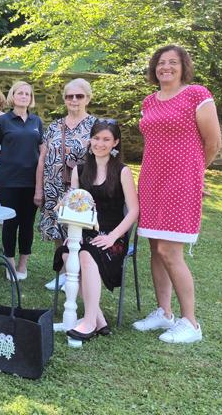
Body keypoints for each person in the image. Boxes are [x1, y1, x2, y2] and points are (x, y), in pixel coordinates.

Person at [133, 45, 221, 344]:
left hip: (181, 182)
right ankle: (164, 312)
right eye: (160, 62)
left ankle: (191, 323)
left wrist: (194, 174)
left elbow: (213, 143)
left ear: (184, 66)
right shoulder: (149, 101)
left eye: (173, 62)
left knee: (170, 251)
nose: (166, 67)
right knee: (155, 248)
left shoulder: (196, 94)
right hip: (150, 181)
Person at [53, 119, 139, 341]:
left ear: (115, 142)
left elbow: (134, 211)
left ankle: (89, 321)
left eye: (106, 139)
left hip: (113, 235)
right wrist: (67, 217)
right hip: (84, 231)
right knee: (66, 254)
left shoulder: (122, 171)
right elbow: (74, 204)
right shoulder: (80, 170)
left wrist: (112, 237)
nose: (100, 143)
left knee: (85, 255)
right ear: (90, 140)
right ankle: (99, 318)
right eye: (96, 138)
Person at [37, 78, 97, 291]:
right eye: (69, 96)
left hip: (82, 189)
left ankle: (79, 274)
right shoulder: (55, 126)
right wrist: (39, 189)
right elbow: (42, 158)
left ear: (88, 98)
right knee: (57, 229)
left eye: (79, 96)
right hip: (53, 185)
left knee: (79, 230)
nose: (74, 100)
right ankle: (64, 274)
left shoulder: (95, 126)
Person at [0, 81, 44, 280]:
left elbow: (42, 150)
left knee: (27, 224)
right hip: (9, 181)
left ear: (31, 98)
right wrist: (8, 158)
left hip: (31, 181)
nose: (24, 96)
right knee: (10, 223)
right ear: (13, 96)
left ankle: (23, 264)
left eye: (27, 94)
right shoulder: (3, 121)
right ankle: (10, 264)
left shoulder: (37, 121)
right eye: (20, 93)